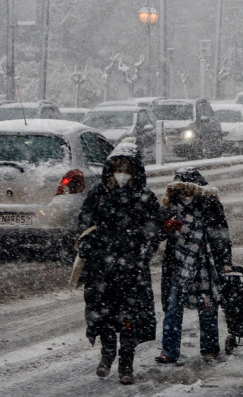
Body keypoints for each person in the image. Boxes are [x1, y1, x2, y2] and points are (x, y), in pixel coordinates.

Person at [77, 143, 161, 385]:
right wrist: (87, 243)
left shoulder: (144, 197)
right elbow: (84, 223)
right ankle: (107, 354)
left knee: (130, 318)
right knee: (103, 315)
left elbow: (153, 229)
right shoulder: (99, 194)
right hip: (102, 268)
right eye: (117, 168)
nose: (121, 173)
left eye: (126, 169)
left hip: (131, 268)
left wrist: (145, 249)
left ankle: (126, 363)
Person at [155, 167, 233, 364]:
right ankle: (169, 351)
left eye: (188, 190)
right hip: (177, 265)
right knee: (173, 308)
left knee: (207, 307)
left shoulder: (209, 205)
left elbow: (221, 234)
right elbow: (156, 233)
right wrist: (165, 229)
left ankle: (209, 349)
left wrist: (225, 261)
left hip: (204, 264)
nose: (185, 194)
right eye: (181, 190)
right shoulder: (170, 207)